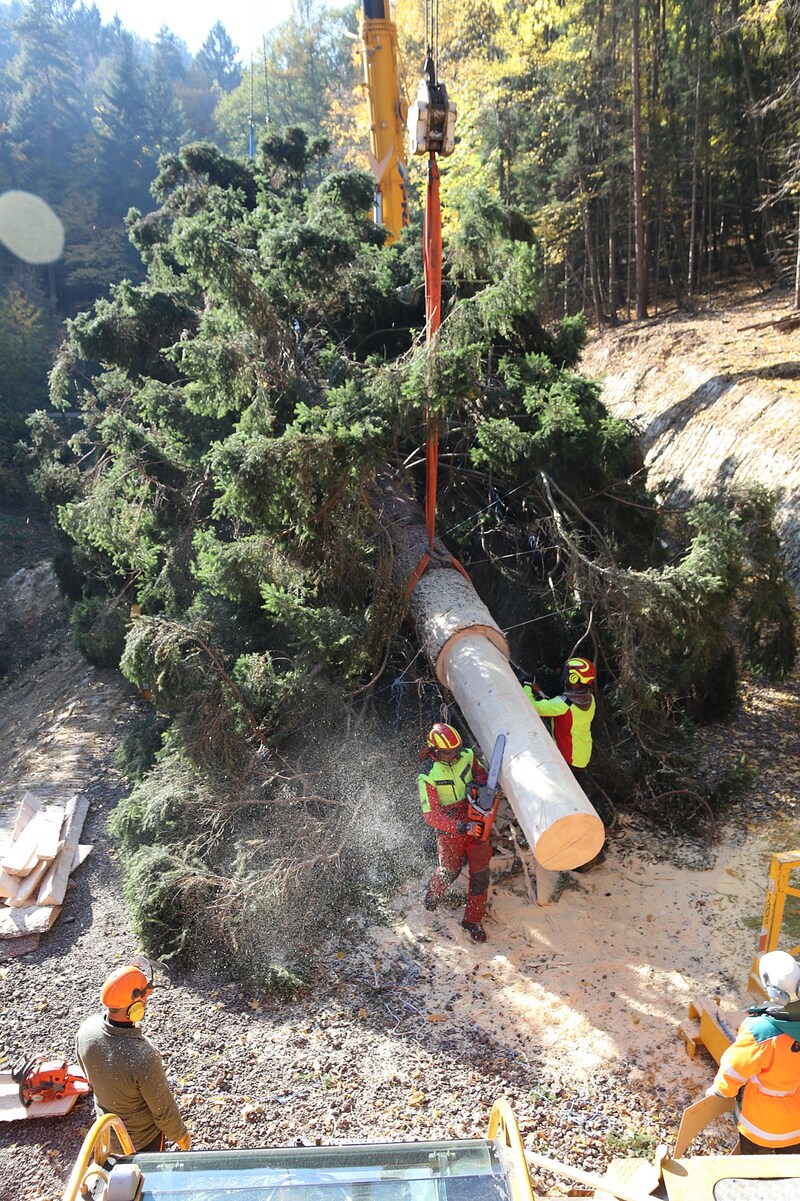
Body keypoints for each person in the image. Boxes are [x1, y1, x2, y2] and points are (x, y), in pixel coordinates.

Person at [76, 957, 191, 1154]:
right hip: (142, 1142)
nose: (146, 1002)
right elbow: (163, 1111)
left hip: (107, 1134)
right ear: (134, 1008)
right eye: (143, 1000)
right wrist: (181, 1137)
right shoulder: (142, 1056)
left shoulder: (86, 1030)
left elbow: (87, 1075)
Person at [707, 950, 800, 1153]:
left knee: (756, 1169)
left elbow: (734, 1068)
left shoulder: (759, 1031)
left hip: (760, 1125)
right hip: (796, 1125)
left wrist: (720, 1090)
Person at [418, 722, 493, 943]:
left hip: (475, 817)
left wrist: (480, 787)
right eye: (451, 752)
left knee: (480, 874)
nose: (456, 755)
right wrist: (460, 827)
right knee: (449, 870)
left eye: (458, 749)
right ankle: (433, 893)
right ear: (436, 751)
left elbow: (482, 774)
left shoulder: (467, 756)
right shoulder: (427, 775)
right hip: (450, 828)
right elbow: (431, 816)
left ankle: (472, 919)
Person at [521, 656, 596, 770]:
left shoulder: (564, 704)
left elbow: (533, 707)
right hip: (582, 755)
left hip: (569, 757)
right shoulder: (590, 699)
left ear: (574, 678)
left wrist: (526, 686)